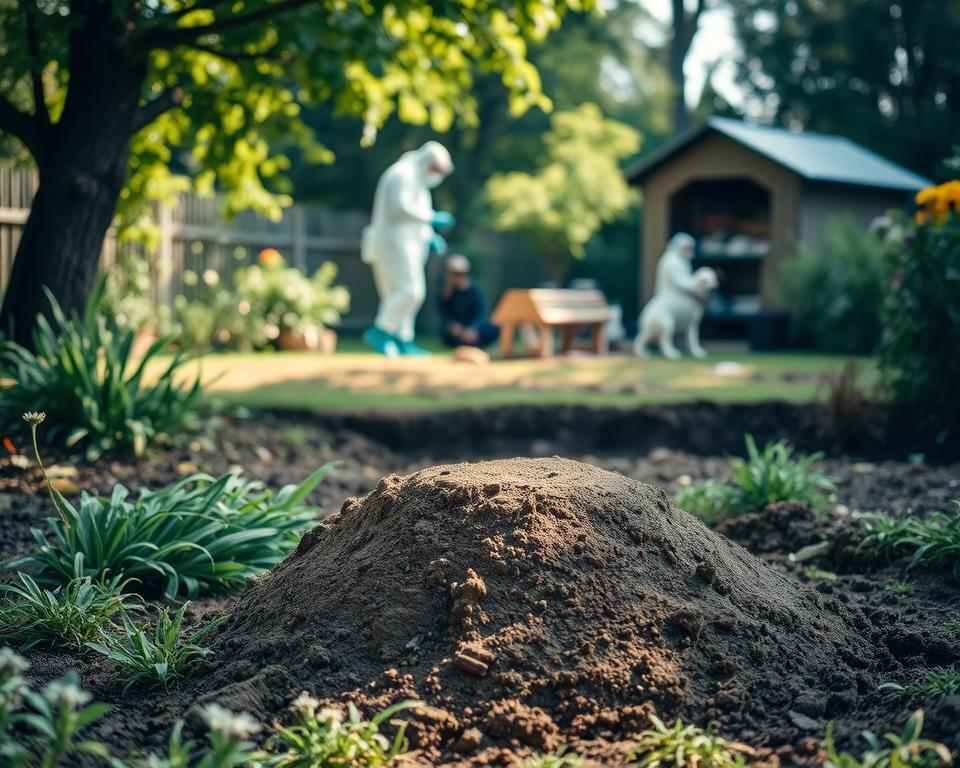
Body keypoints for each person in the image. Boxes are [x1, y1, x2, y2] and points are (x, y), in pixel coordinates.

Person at [360, 141, 455, 357]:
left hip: (409, 244)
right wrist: (432, 219)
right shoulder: (400, 175)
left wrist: (430, 236)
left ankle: (402, 340)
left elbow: (418, 217)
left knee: (400, 296)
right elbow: (399, 209)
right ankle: (380, 331)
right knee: (410, 291)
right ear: (428, 163)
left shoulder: (420, 184)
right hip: (392, 243)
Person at [438, 254, 499, 349]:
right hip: (457, 331)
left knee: (493, 329)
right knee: (447, 335)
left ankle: (471, 342)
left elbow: (481, 314)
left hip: (473, 328)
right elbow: (445, 315)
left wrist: (473, 328)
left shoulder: (474, 291)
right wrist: (453, 326)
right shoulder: (446, 293)